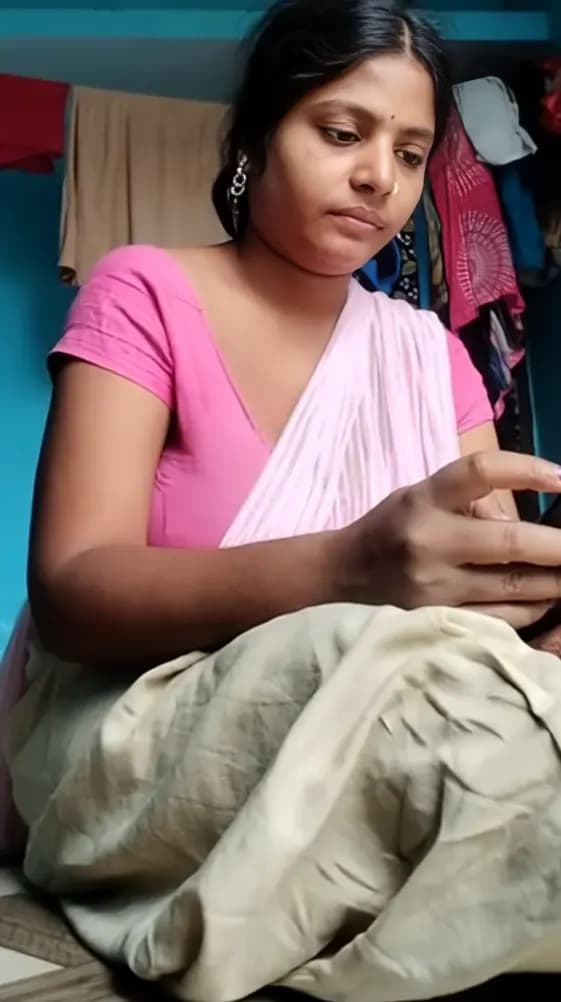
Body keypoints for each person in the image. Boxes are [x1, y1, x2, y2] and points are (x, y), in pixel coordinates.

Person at [6, 1, 561, 999]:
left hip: (407, 714)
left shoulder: (428, 358)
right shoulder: (146, 293)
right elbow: (71, 595)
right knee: (431, 695)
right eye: (342, 134)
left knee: (486, 701)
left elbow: (485, 609)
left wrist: (541, 612)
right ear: (257, 137)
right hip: (142, 736)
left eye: (410, 153)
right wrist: (349, 567)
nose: (378, 177)